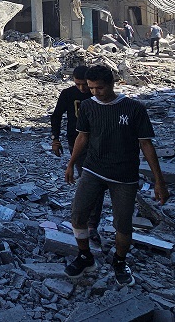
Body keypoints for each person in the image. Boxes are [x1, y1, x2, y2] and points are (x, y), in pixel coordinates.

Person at [64, 65, 168, 286]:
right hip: (93, 168)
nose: (94, 92)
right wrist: (71, 163)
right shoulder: (88, 106)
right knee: (78, 214)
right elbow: (82, 136)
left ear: (112, 84)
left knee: (123, 224)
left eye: (99, 88)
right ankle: (85, 256)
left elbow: (146, 144)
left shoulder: (134, 108)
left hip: (124, 174)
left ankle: (120, 262)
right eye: (91, 88)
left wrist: (159, 181)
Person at [51, 66, 101, 237]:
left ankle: (92, 223)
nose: (82, 88)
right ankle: (88, 222)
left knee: (94, 182)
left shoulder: (97, 93)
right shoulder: (68, 94)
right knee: (88, 179)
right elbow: (56, 116)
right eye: (78, 84)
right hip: (76, 142)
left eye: (84, 85)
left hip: (98, 143)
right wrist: (55, 138)